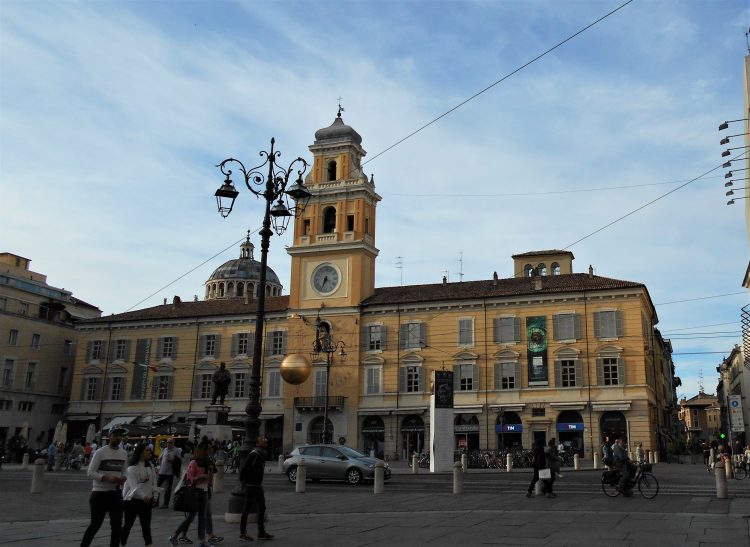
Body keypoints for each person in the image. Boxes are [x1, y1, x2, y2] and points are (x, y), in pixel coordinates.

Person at [80, 426, 128, 547]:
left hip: (116, 493)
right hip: (100, 493)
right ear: (109, 437)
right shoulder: (100, 452)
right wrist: (106, 477)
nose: (118, 438)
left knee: (117, 525)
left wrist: (123, 478)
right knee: (95, 525)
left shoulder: (123, 453)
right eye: (115, 435)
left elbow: (125, 471)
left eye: (120, 436)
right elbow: (90, 472)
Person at [169, 440, 213, 547]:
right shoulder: (193, 463)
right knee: (191, 517)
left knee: (202, 518)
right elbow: (190, 479)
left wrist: (210, 476)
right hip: (195, 492)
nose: (211, 451)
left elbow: (210, 480)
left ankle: (202, 542)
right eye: (208, 449)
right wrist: (201, 477)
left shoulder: (208, 462)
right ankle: (174, 536)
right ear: (203, 450)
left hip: (205, 491)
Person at [121, 443, 158, 547]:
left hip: (147, 501)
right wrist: (144, 496)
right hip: (132, 500)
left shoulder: (150, 465)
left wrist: (155, 496)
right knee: (128, 525)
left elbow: (154, 482)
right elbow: (133, 486)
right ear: (141, 452)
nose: (149, 452)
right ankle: (122, 543)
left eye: (149, 450)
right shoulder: (132, 468)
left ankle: (149, 544)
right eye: (147, 450)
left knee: (146, 526)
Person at [239, 436, 274, 541]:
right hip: (251, 486)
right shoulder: (254, 454)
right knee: (246, 509)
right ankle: (242, 533)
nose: (265, 440)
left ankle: (261, 532)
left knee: (262, 507)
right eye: (262, 440)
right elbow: (244, 469)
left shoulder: (260, 454)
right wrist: (244, 482)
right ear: (257, 443)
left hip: (258, 486)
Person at [158, 438, 181, 509]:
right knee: (157, 486)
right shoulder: (164, 449)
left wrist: (173, 461)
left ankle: (165, 503)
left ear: (173, 443)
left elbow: (179, 462)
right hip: (162, 471)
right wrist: (159, 465)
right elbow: (160, 458)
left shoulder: (176, 450)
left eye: (170, 442)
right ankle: (155, 501)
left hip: (170, 473)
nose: (168, 444)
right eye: (167, 442)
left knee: (168, 488)